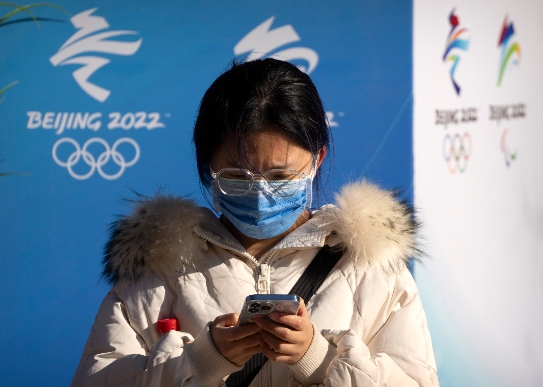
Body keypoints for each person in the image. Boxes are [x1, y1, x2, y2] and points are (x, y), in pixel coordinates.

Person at [71, 58, 439, 386]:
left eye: (281, 177)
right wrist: (201, 362)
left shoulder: (373, 267)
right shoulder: (155, 269)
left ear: (317, 160)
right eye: (236, 176)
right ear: (206, 168)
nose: (261, 194)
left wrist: (317, 358)